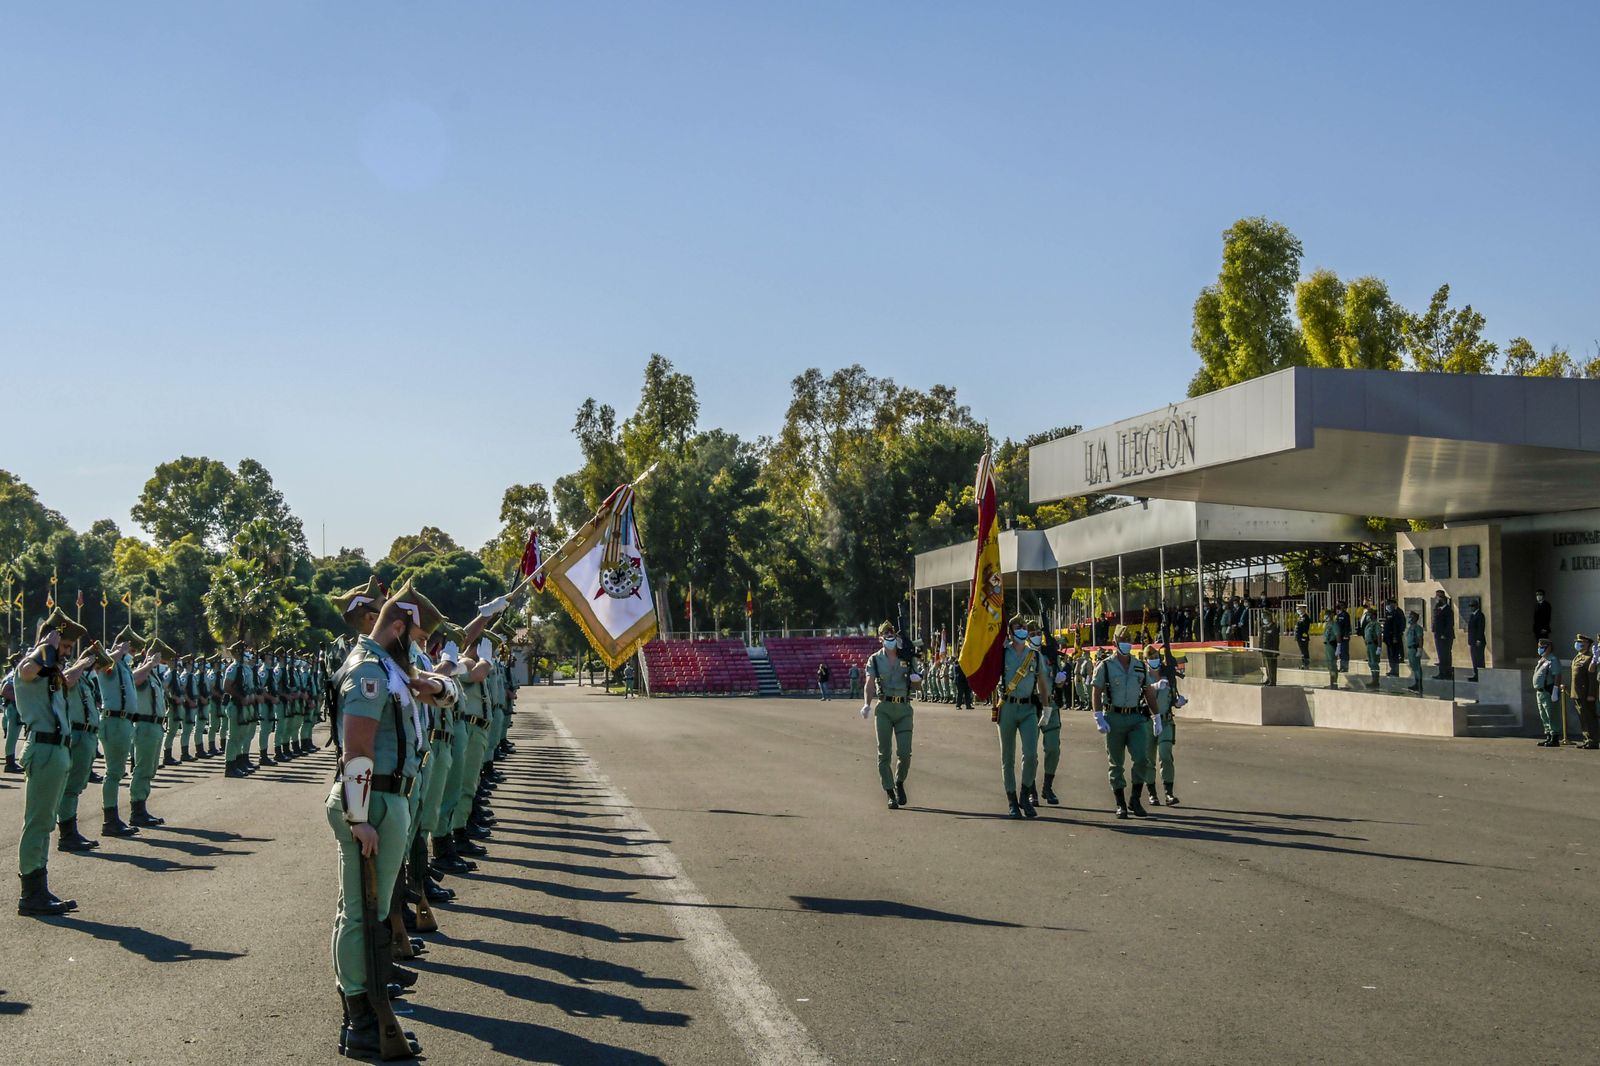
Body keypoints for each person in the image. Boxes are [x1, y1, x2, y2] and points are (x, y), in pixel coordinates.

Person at [326, 588, 431, 1059]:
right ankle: (361, 1020)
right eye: (416, 637)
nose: (419, 646)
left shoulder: (386, 666)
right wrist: (359, 816)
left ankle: (365, 1007)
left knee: (365, 911)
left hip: (384, 798)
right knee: (360, 915)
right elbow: (357, 749)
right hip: (373, 802)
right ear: (398, 628)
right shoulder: (370, 670)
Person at [15, 608, 90, 917]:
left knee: (45, 822)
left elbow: (66, 680)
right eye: (64, 645)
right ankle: (31, 894)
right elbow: (25, 671)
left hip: (57, 750)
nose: (67, 652)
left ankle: (39, 888)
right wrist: (44, 645)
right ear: (50, 641)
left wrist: (75, 661)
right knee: (38, 821)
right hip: (44, 750)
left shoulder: (50, 672)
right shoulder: (31, 665)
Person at [1091, 625, 1157, 820]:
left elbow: (1148, 692)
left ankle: (1135, 799)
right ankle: (1120, 803)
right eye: (1122, 640)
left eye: (1129, 640)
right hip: (1114, 717)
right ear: (1115, 642)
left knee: (1142, 759)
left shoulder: (1139, 665)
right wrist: (1098, 716)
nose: (1126, 643)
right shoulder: (1105, 666)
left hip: (1136, 718)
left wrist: (1157, 716)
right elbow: (1096, 691)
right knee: (1116, 763)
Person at [56, 640, 110, 854]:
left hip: (86, 734)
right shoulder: (73, 673)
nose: (95, 669)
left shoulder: (86, 680)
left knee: (76, 786)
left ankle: (71, 831)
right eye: (95, 665)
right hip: (76, 733)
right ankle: (67, 834)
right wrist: (82, 664)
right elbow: (66, 681)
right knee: (70, 787)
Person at [994, 615, 1049, 818]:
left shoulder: (1034, 656)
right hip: (1007, 707)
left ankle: (1025, 795)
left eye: (1024, 627)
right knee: (1007, 757)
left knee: (1031, 755)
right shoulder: (1001, 653)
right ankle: (1012, 801)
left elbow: (1042, 683)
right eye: (1018, 627)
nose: (1022, 630)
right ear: (1010, 632)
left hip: (1028, 709)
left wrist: (1046, 709)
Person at [861, 621, 915, 810]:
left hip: (904, 708)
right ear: (881, 638)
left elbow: (917, 684)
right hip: (884, 708)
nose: (890, 637)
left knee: (905, 753)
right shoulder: (875, 659)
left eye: (892, 634)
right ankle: (890, 792)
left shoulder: (907, 656)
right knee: (884, 754)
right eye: (886, 634)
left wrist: (916, 678)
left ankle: (899, 782)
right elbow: (869, 682)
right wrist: (867, 704)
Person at [1142, 643, 1180, 807]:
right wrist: (1155, 687)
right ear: (1145, 660)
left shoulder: (1167, 675)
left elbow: (1172, 695)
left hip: (1165, 720)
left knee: (1165, 755)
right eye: (1150, 657)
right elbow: (1141, 694)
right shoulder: (1142, 676)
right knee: (1148, 759)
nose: (1154, 659)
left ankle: (1168, 793)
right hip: (1147, 721)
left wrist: (1177, 701)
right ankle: (1152, 793)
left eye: (1156, 657)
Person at [1531, 638, 1563, 747]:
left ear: (1549, 648)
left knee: (1552, 715)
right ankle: (1548, 735)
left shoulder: (1552, 660)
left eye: (1542, 647)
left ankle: (1554, 738)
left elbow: (1557, 675)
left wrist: (1555, 690)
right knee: (1544, 715)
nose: (1540, 649)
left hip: (1548, 691)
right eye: (1539, 647)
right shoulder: (1542, 660)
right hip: (1540, 692)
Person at [1570, 634, 1597, 750]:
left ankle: (1593, 740)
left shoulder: (1590, 658)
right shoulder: (1578, 657)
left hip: (1585, 694)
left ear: (1587, 644)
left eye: (1580, 642)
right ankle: (1587, 739)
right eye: (1577, 641)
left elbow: (1592, 678)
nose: (1577, 644)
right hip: (1577, 693)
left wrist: (1591, 694)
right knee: (1583, 718)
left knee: (1589, 718)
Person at [1431, 590, 1455, 680]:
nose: (1436, 599)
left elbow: (1450, 624)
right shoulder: (1438, 609)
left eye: (1438, 597)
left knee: (1446, 654)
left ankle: (1447, 672)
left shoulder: (1448, 610)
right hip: (1438, 635)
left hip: (1445, 636)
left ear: (1443, 599)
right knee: (1441, 654)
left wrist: (1444, 634)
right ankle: (1442, 672)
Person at [1382, 598, 1405, 677]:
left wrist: (1395, 636)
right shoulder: (1388, 613)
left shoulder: (1396, 613)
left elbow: (1396, 626)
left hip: (1393, 637)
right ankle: (1392, 669)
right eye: (1387, 604)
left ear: (1393, 604)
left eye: (1389, 603)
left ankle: (1395, 671)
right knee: (1390, 655)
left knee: (1394, 654)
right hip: (1388, 638)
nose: (1387, 605)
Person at [1322, 606, 1344, 689]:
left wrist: (1338, 647)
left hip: (1332, 646)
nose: (1325, 616)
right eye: (1325, 614)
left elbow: (1337, 635)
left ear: (1331, 615)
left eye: (1327, 614)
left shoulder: (1334, 624)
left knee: (1333, 665)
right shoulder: (1327, 624)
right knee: (1329, 665)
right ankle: (1331, 683)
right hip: (1327, 646)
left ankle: (1334, 683)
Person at [1258, 610, 1281, 687]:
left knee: (1272, 667)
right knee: (1267, 666)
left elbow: (1276, 641)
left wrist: (1275, 651)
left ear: (1269, 617)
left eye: (1265, 617)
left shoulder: (1274, 627)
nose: (1264, 619)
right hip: (1264, 650)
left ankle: (1272, 681)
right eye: (1263, 617)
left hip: (1271, 651)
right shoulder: (1263, 627)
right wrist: (1260, 648)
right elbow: (1261, 639)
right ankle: (1268, 679)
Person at [1405, 610, 1425, 692]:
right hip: (1410, 649)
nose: (1409, 618)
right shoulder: (1410, 627)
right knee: (1413, 667)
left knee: (1417, 667)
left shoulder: (1417, 628)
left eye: (1411, 616)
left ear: (1415, 618)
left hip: (1414, 649)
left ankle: (1419, 684)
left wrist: (1420, 649)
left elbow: (1420, 639)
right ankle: (1416, 683)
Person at [1362, 608, 1383, 688]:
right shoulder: (1368, 625)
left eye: (1369, 614)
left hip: (1374, 645)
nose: (1368, 616)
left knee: (1374, 663)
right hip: (1369, 645)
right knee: (1371, 663)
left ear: (1373, 615)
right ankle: (1373, 679)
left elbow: (1379, 636)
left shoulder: (1376, 625)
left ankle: (1376, 681)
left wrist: (1379, 647)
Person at [1466, 601, 1487, 682]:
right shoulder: (1472, 615)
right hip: (1472, 641)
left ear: (1476, 606)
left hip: (1478, 641)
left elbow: (1481, 628)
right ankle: (1476, 674)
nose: (1471, 608)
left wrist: (1479, 639)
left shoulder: (1480, 615)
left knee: (1479, 659)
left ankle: (1481, 675)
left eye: (1472, 606)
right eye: (1470, 606)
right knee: (1474, 659)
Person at [1334, 601, 1352, 675]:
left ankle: (1345, 667)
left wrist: (1346, 635)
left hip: (1344, 637)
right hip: (1339, 637)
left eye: (1341, 605)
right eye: (1339, 605)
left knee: (1344, 652)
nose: (1339, 606)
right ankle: (1342, 667)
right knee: (1341, 653)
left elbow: (1347, 626)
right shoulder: (1338, 615)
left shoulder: (1345, 614)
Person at [1294, 605, 1312, 670]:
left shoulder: (1305, 617)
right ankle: (1304, 664)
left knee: (1305, 652)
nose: (1298, 610)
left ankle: (1306, 665)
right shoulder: (1300, 617)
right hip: (1299, 637)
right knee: (1302, 652)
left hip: (1303, 638)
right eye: (1297, 609)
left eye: (1299, 609)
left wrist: (1304, 637)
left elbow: (1305, 629)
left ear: (1304, 609)